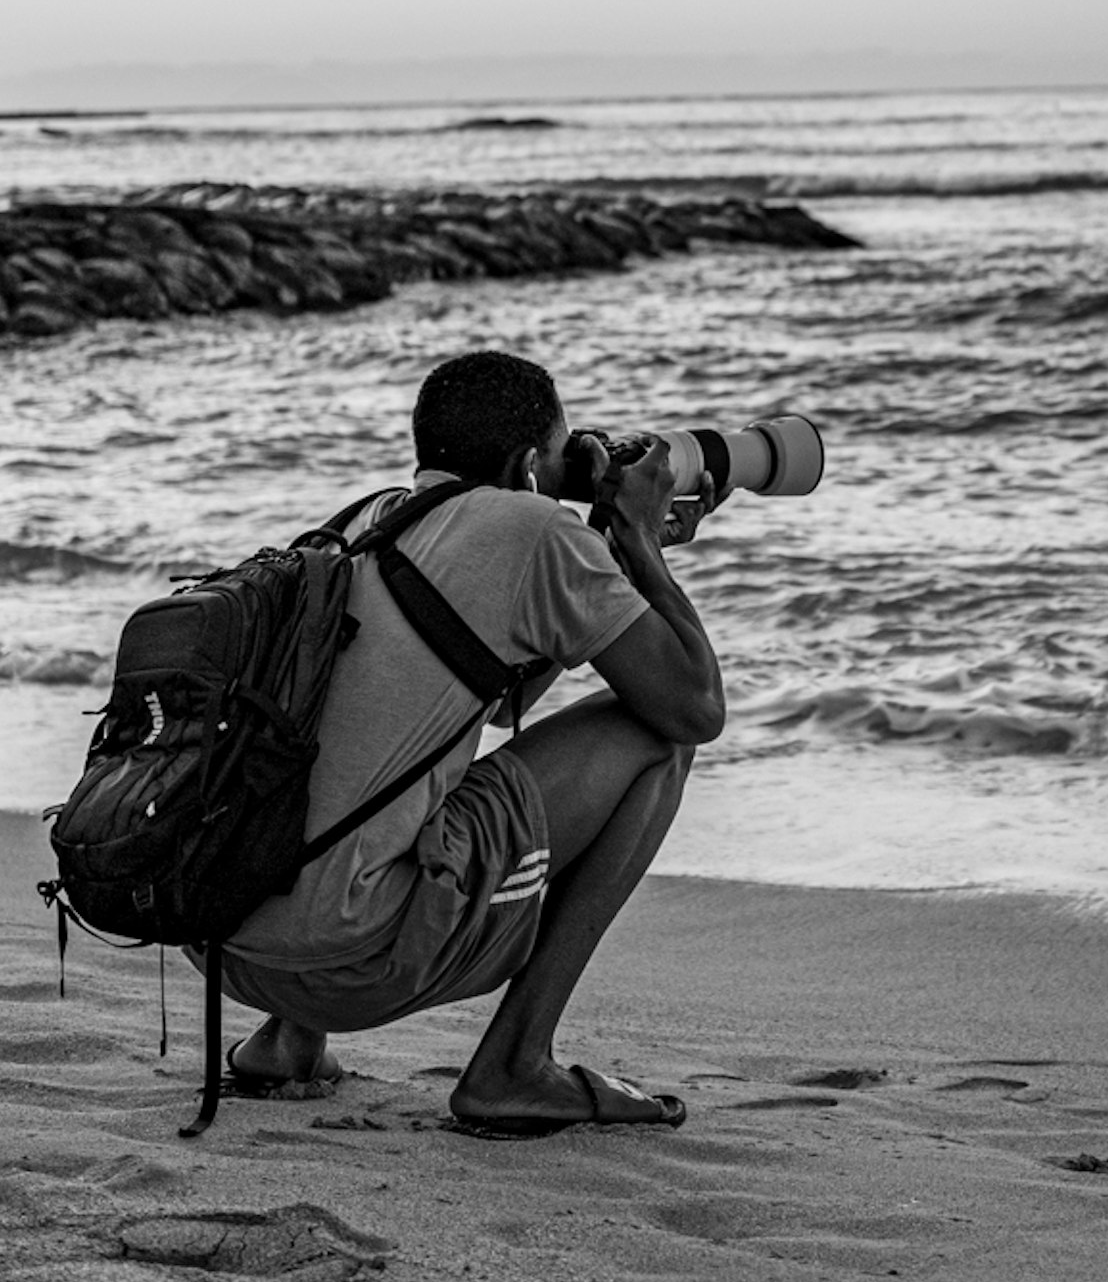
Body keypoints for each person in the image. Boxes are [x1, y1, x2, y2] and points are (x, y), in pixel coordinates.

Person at [209, 348, 725, 1133]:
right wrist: (643, 547)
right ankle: (514, 1064)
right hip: (354, 958)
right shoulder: (533, 527)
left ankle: (286, 1042)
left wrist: (602, 548)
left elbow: (491, 700)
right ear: (526, 465)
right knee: (658, 743)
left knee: (363, 750)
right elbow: (693, 706)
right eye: (557, 460)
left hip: (230, 942)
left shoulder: (365, 520)